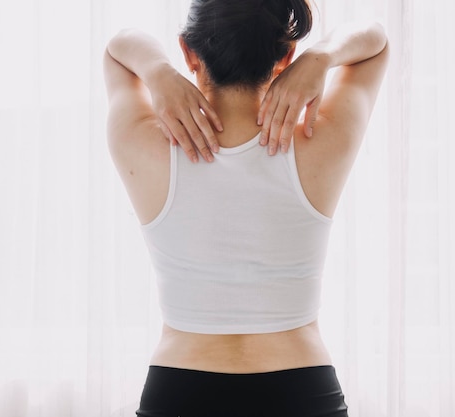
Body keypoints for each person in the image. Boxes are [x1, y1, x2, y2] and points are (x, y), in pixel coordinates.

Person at [104, 0, 388, 415]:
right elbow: (375, 40)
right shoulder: (316, 140)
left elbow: (117, 48)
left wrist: (157, 71)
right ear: (285, 56)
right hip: (300, 391)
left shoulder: (145, 143)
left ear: (188, 53)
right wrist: (320, 58)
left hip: (180, 391)